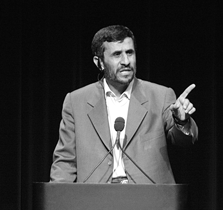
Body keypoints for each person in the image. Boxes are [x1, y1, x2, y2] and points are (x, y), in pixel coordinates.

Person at [50, 25, 198, 184]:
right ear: (99, 62)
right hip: (95, 198)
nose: (126, 61)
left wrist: (182, 121)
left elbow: (185, 142)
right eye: (117, 55)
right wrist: (57, 199)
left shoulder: (160, 95)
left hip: (149, 199)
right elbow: (65, 160)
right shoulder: (76, 101)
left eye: (130, 53)